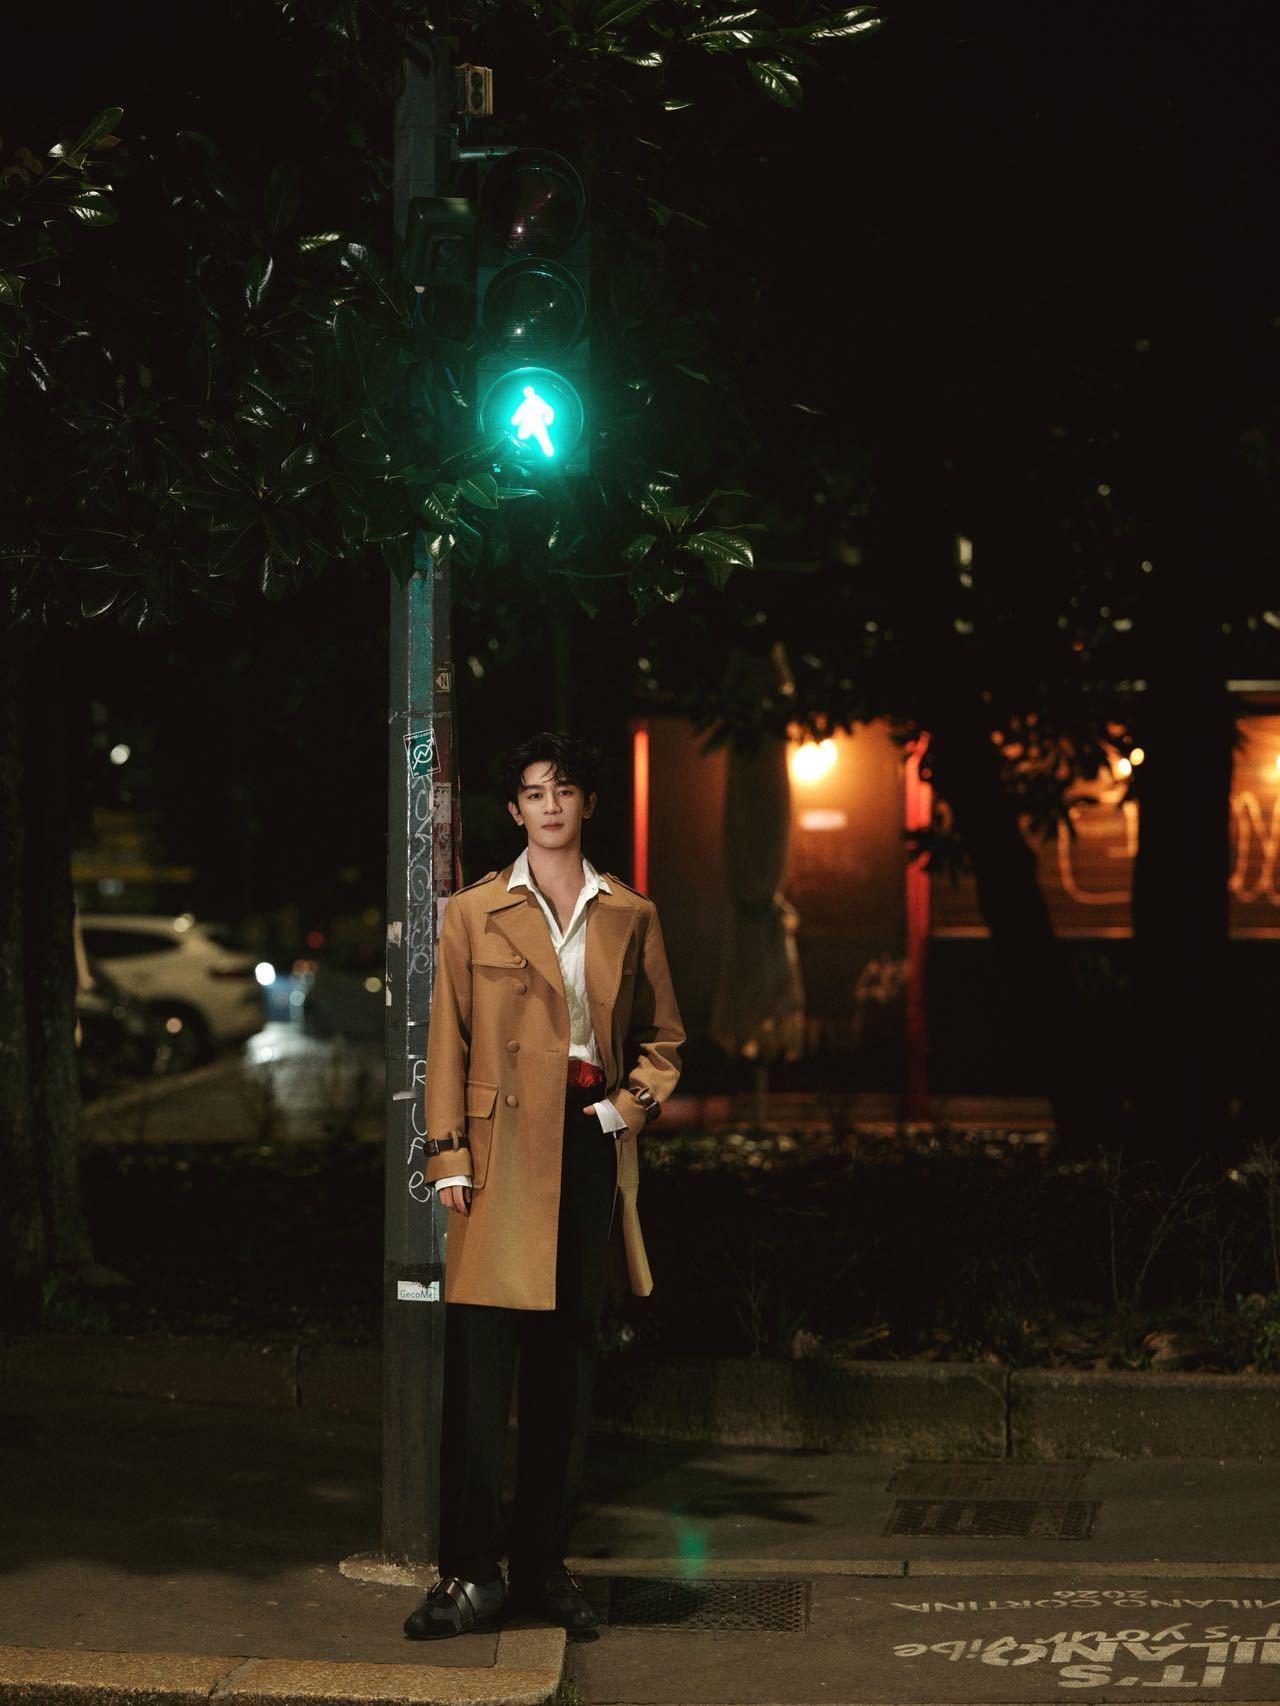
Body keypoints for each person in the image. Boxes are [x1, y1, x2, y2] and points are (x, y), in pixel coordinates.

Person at [403, 731, 685, 1640]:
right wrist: (447, 1152)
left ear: (587, 804)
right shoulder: (473, 911)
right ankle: (468, 1577)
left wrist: (623, 1112)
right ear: (515, 809)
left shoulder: (629, 913)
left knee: (565, 1367)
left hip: (584, 1137)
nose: (551, 805)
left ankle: (541, 1573)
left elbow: (663, 1040)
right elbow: (445, 1035)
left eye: (564, 789)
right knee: (480, 1375)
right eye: (534, 792)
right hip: (493, 1154)